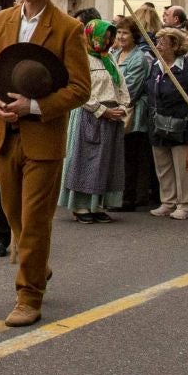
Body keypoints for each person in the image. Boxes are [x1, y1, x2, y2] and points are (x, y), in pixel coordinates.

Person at [0, 0, 93, 327]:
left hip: (43, 139)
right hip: (4, 136)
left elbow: (79, 89)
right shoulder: (3, 21)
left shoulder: (67, 27)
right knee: (14, 217)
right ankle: (38, 264)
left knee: (36, 220)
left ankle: (29, 295)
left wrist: (36, 106)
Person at [61, 17, 131, 225]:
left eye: (110, 37)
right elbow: (79, 90)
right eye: (105, 36)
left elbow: (122, 86)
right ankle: (80, 205)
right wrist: (101, 110)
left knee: (106, 162)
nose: (109, 40)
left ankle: (98, 203)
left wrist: (123, 107)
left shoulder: (109, 60)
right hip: (89, 116)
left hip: (112, 117)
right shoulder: (81, 59)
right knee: (85, 160)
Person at [145, 28, 188, 218]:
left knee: (182, 168)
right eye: (157, 42)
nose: (158, 46)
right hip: (157, 124)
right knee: (163, 166)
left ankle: (186, 204)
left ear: (175, 45)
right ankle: (167, 201)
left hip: (181, 125)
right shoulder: (155, 66)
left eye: (162, 43)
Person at [113, 18, 158, 209]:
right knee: (120, 157)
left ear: (135, 36)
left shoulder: (138, 58)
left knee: (131, 158)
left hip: (133, 114)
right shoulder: (115, 54)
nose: (121, 37)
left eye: (126, 33)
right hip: (116, 110)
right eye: (119, 32)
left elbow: (130, 89)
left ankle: (129, 197)